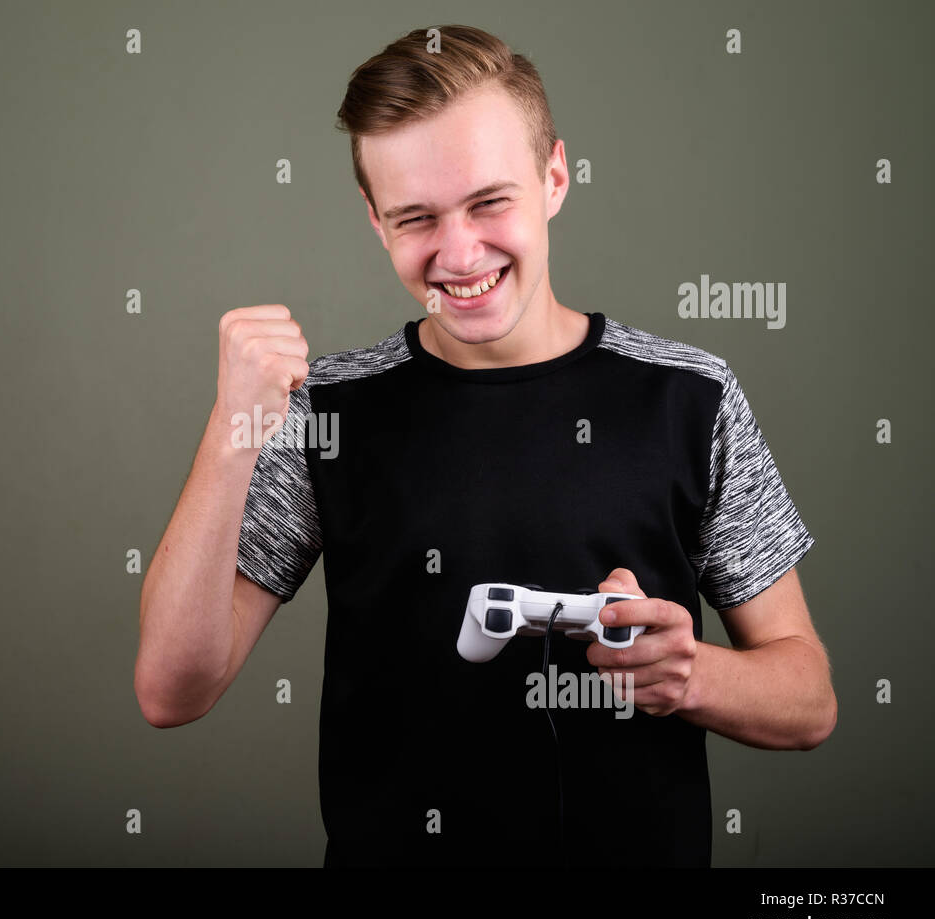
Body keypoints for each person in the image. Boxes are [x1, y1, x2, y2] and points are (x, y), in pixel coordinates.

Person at [134, 24, 836, 868]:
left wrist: (690, 675)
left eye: (489, 201)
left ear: (554, 176)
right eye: (416, 218)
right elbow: (172, 689)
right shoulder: (322, 409)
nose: (458, 253)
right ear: (374, 219)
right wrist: (229, 427)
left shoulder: (693, 396)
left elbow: (811, 699)